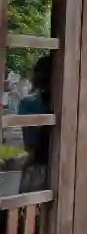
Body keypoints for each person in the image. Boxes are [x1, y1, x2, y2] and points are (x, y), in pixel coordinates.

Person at [18, 55, 53, 193]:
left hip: (37, 170)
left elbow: (30, 145)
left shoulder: (28, 104)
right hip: (67, 170)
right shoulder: (29, 104)